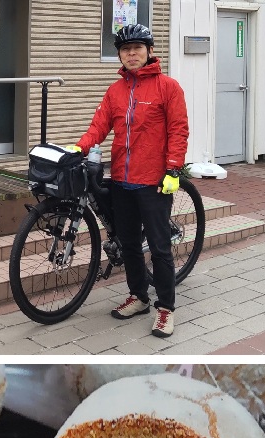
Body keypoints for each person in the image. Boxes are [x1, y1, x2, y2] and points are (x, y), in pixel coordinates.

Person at [72, 23, 188, 338]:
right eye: (125, 50)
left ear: (149, 51)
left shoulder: (168, 87)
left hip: (154, 182)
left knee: (161, 249)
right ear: (120, 56)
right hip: (122, 179)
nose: (131, 54)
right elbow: (99, 126)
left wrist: (174, 169)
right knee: (129, 245)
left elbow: (178, 130)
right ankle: (138, 297)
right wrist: (78, 147)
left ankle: (165, 309)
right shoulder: (116, 91)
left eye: (137, 48)